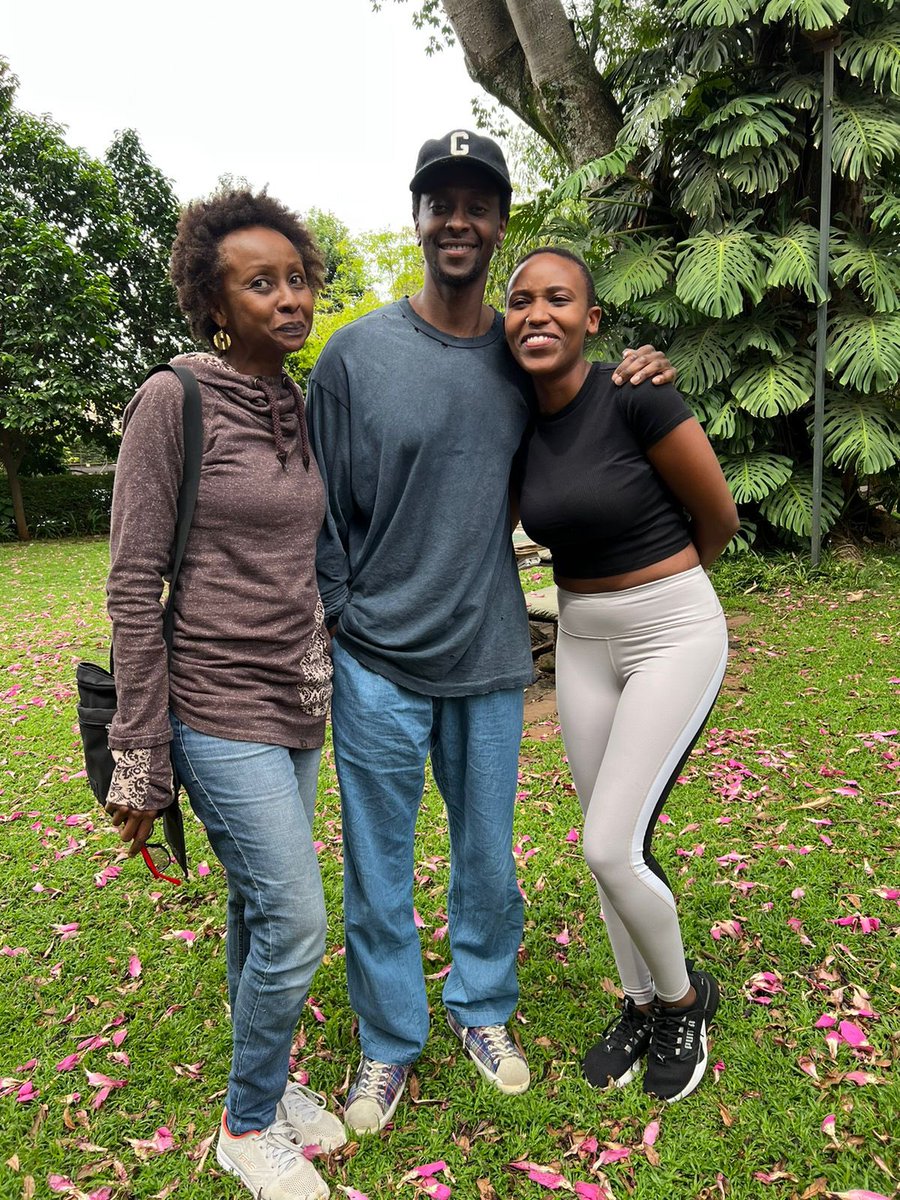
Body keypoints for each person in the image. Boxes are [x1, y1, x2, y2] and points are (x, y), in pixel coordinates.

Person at [306, 130, 676, 1134]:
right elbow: (319, 506)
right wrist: (343, 616)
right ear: (418, 215)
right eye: (442, 200)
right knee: (379, 869)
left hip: (485, 655)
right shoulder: (355, 357)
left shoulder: (525, 358)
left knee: (487, 862)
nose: (459, 218)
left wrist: (645, 365)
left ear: (498, 221)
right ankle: (387, 1046)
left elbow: (600, 411)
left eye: (478, 201)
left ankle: (482, 1011)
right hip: (376, 660)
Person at [105, 190, 345, 1200]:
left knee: (260, 904)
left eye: (297, 278)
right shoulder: (176, 399)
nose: (289, 298)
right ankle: (248, 1125)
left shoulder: (296, 399)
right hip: (213, 702)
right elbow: (131, 579)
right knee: (297, 921)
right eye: (262, 283)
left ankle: (269, 1081)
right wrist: (139, 753)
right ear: (214, 300)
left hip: (299, 701)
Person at [505, 246, 740, 1103]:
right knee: (614, 846)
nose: (538, 313)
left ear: (591, 320)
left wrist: (668, 590)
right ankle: (640, 1002)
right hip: (582, 641)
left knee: (608, 842)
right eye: (520, 300)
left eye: (558, 299)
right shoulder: (515, 422)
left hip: (672, 628)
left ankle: (685, 1001)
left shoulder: (637, 392)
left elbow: (718, 516)